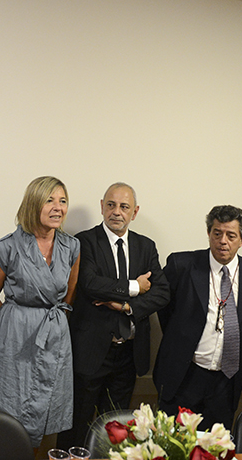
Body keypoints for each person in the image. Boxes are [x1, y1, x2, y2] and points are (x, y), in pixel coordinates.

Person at [0, 176, 80, 449]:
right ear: (33, 204)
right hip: (15, 336)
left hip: (54, 333)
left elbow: (69, 294)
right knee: (9, 401)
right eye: (49, 200)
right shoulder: (7, 246)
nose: (58, 207)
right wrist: (15, 323)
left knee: (46, 401)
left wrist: (51, 323)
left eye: (63, 201)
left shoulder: (71, 246)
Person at [56, 182, 169, 449]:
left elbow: (162, 292)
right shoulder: (84, 241)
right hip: (91, 352)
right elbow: (90, 283)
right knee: (78, 425)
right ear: (102, 207)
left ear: (135, 212)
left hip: (128, 354)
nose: (117, 212)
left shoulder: (145, 246)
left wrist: (127, 307)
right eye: (111, 205)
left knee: (115, 432)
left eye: (124, 207)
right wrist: (135, 287)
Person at [153, 205, 242, 430]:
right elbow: (165, 312)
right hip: (184, 375)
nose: (222, 241)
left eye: (231, 235)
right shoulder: (182, 265)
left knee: (216, 445)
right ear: (208, 233)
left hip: (226, 381)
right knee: (173, 443)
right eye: (217, 233)